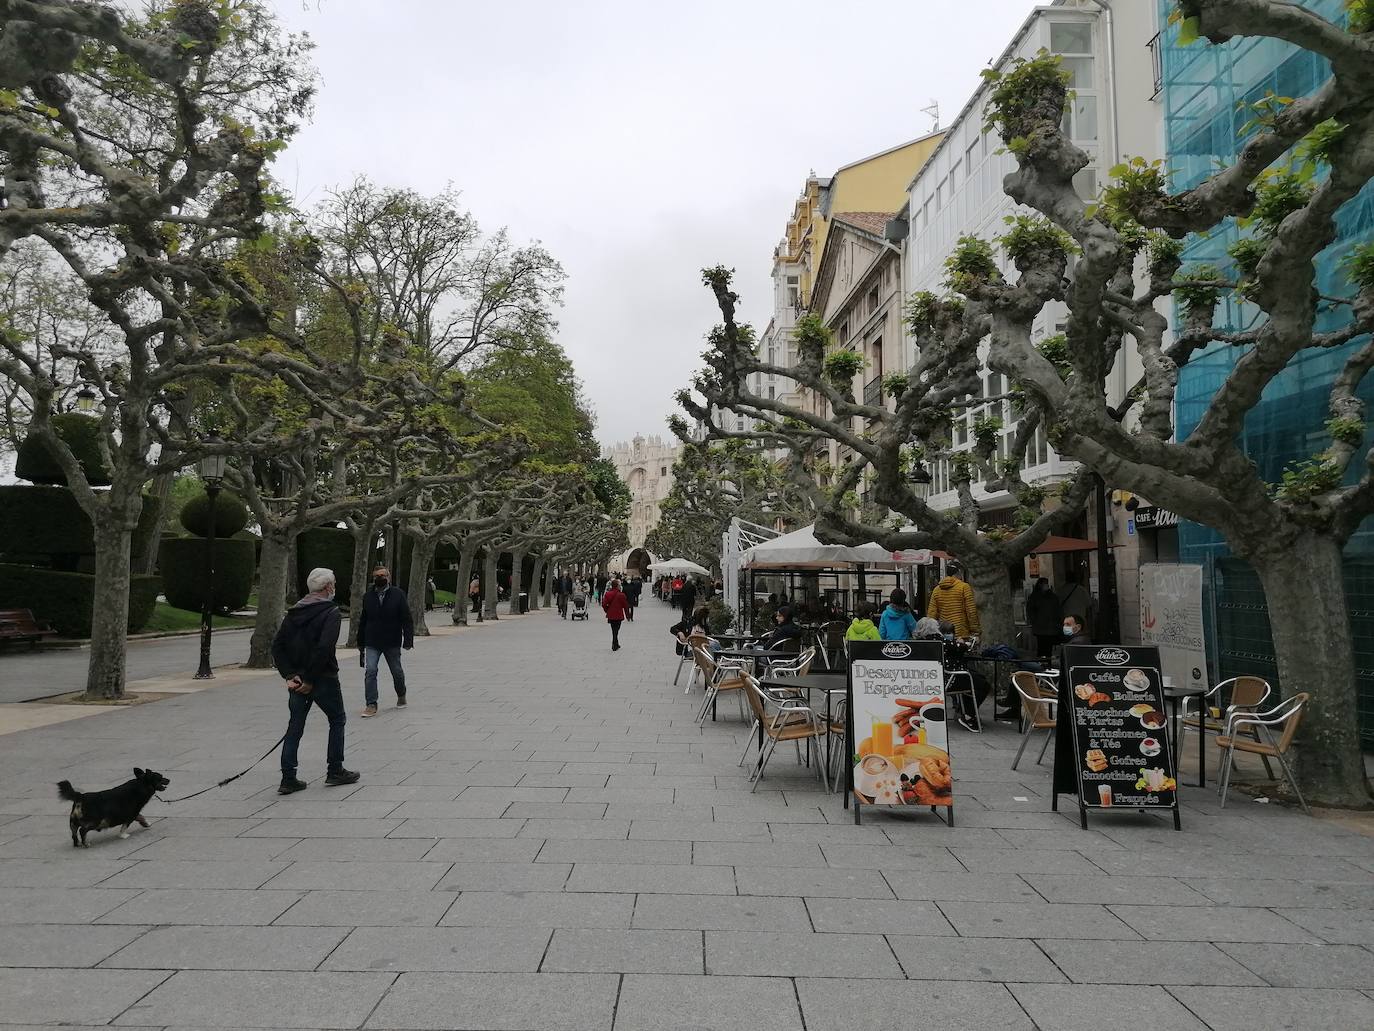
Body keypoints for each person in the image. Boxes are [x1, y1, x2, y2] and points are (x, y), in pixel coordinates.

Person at [271, 567, 359, 794]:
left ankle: (288, 777)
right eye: (334, 584)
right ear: (328, 587)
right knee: (337, 719)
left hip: (297, 679)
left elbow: (277, 646)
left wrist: (291, 675)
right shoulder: (330, 612)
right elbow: (324, 648)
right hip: (323, 678)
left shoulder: (293, 613)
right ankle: (335, 769)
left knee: (295, 726)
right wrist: (308, 679)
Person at [356, 565, 413, 717]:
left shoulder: (398, 594)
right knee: (371, 670)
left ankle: (401, 694)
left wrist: (408, 639)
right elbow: (364, 619)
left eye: (382, 575)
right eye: (376, 576)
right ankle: (371, 703)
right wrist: (360, 641)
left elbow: (406, 618)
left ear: (388, 577)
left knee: (397, 671)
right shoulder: (368, 596)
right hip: (372, 640)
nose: (379, 578)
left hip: (392, 640)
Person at [927, 562, 981, 639]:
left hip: (943, 631)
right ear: (958, 573)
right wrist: (975, 631)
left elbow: (931, 614)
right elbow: (971, 611)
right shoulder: (964, 587)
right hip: (961, 633)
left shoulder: (937, 589)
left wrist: (931, 633)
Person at [1026, 577, 1063, 659]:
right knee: (1042, 646)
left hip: (1049, 627)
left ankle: (1046, 661)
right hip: (1041, 627)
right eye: (1044, 583)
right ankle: (1043, 662)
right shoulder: (1035, 597)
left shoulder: (1052, 597)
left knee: (1048, 647)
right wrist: (1034, 621)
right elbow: (1030, 610)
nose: (1046, 585)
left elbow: (1057, 610)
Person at [602, 577, 629, 651]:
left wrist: (607, 611)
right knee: (616, 630)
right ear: (617, 586)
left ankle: (616, 643)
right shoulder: (621, 595)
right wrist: (627, 615)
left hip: (611, 615)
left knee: (614, 630)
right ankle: (614, 644)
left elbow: (604, 604)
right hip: (619, 615)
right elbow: (625, 606)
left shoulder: (608, 594)